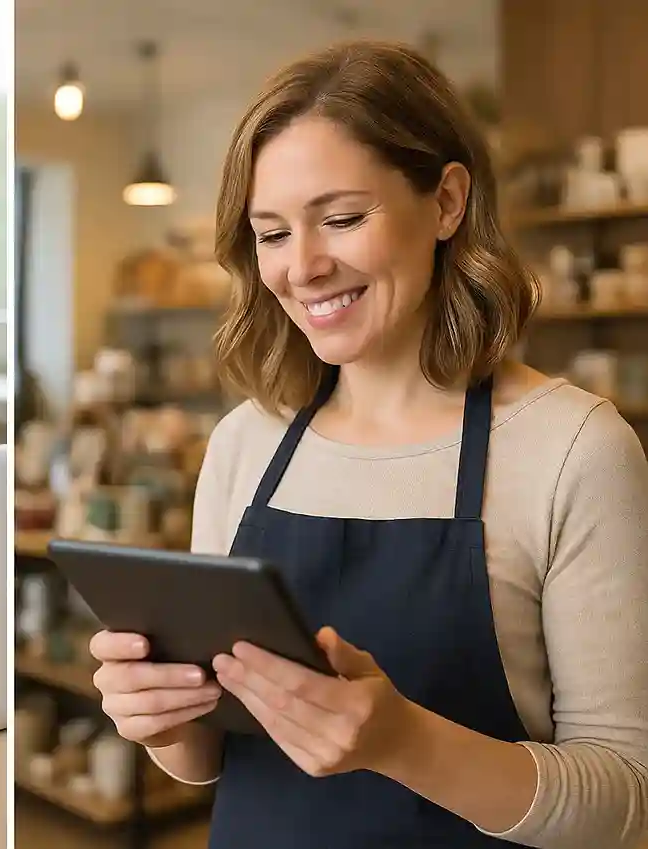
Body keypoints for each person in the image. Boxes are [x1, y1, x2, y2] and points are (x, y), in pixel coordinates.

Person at [89, 40, 648, 849]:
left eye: (343, 219)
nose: (304, 267)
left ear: (448, 201)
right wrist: (159, 718)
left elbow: (629, 802)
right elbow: (207, 758)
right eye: (271, 234)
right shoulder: (245, 444)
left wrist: (404, 743)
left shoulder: (573, 449)